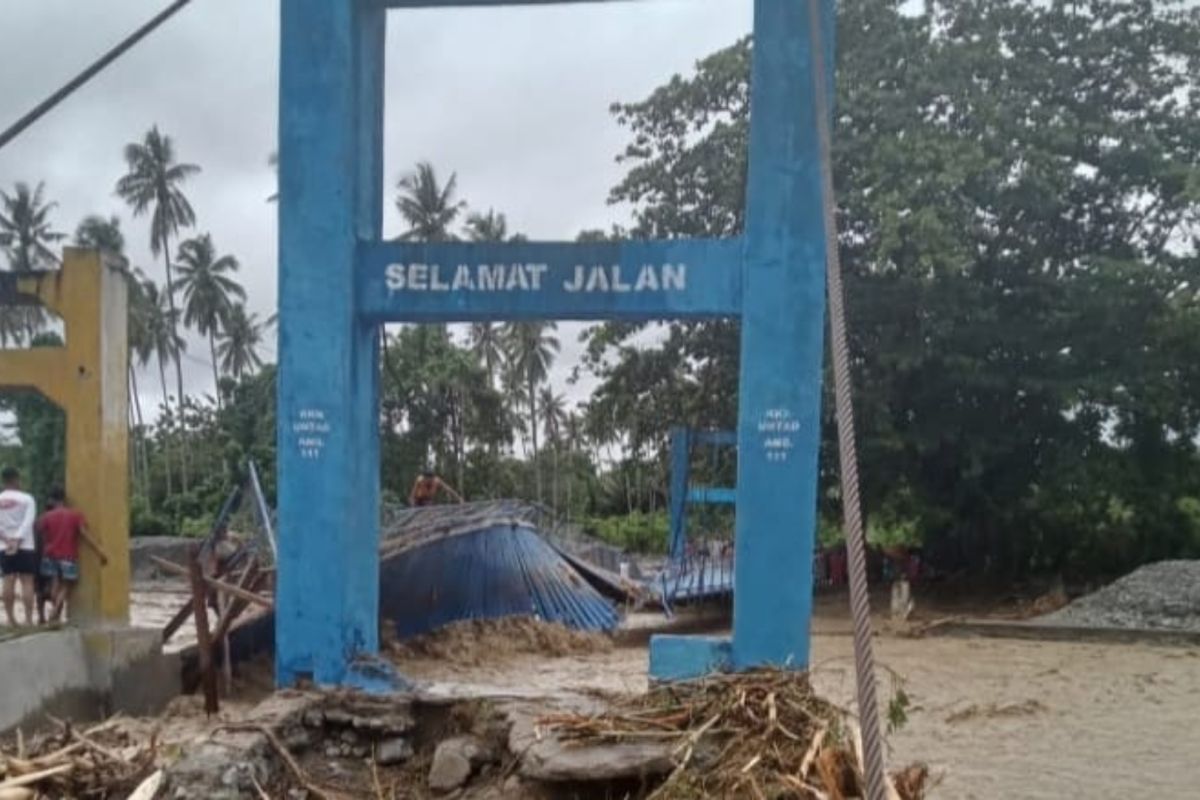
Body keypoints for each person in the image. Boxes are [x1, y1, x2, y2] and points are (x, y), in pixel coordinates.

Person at [37, 486, 108, 624]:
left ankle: (54, 614)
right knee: (66, 585)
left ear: (52, 500)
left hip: (50, 555)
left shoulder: (46, 517)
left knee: (55, 583)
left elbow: (41, 534)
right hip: (68, 556)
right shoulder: (75, 515)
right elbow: (85, 535)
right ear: (64, 499)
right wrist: (99, 551)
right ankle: (55, 610)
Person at [0, 467, 38, 626]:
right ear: (16, 479)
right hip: (26, 546)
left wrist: (7, 539)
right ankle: (28, 620)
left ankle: (11, 619)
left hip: (4, 546)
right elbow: (29, 521)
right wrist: (17, 539)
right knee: (27, 581)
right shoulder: (27, 499)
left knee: (8, 580)